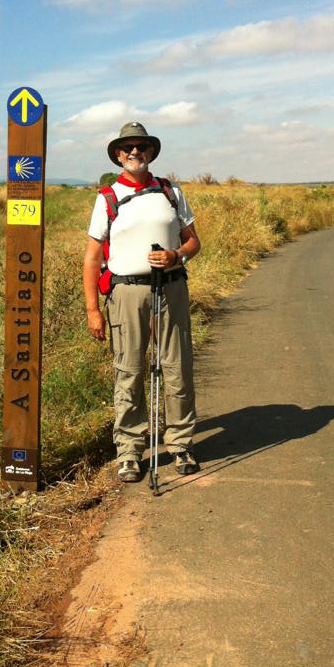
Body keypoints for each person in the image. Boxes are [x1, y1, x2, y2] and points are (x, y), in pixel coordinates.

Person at [83, 122, 201, 483]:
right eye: (127, 147)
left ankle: (180, 444)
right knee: (129, 370)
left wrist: (176, 256)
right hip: (126, 293)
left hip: (172, 288)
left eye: (141, 147)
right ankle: (130, 451)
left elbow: (193, 241)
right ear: (118, 155)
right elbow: (92, 259)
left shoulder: (170, 191)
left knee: (177, 367)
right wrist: (92, 310)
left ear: (150, 152)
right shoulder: (107, 198)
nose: (135, 152)